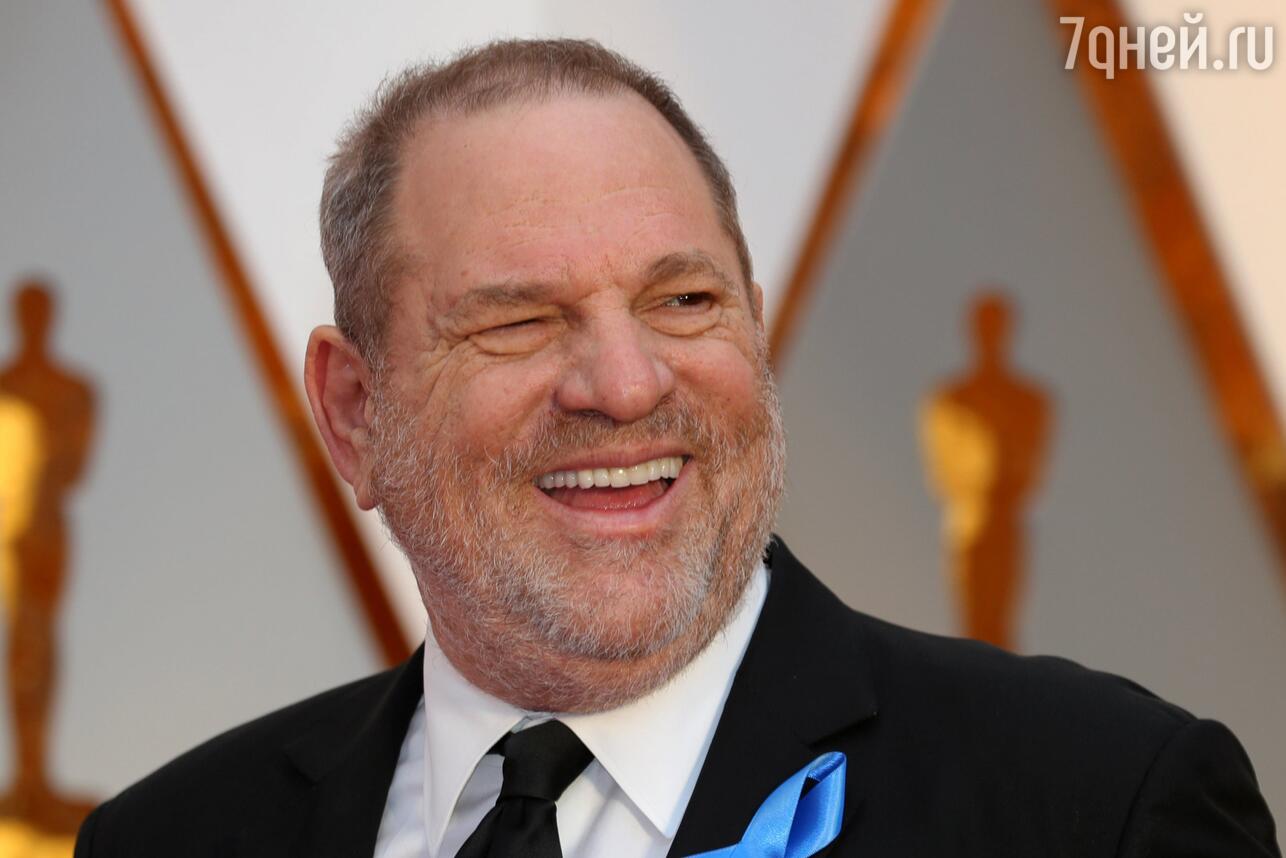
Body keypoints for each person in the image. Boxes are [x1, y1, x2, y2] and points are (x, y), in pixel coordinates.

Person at [74, 39, 1278, 857]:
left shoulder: (1095, 808)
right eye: (517, 321)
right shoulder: (170, 840)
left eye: (683, 301)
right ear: (353, 413)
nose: (625, 383)